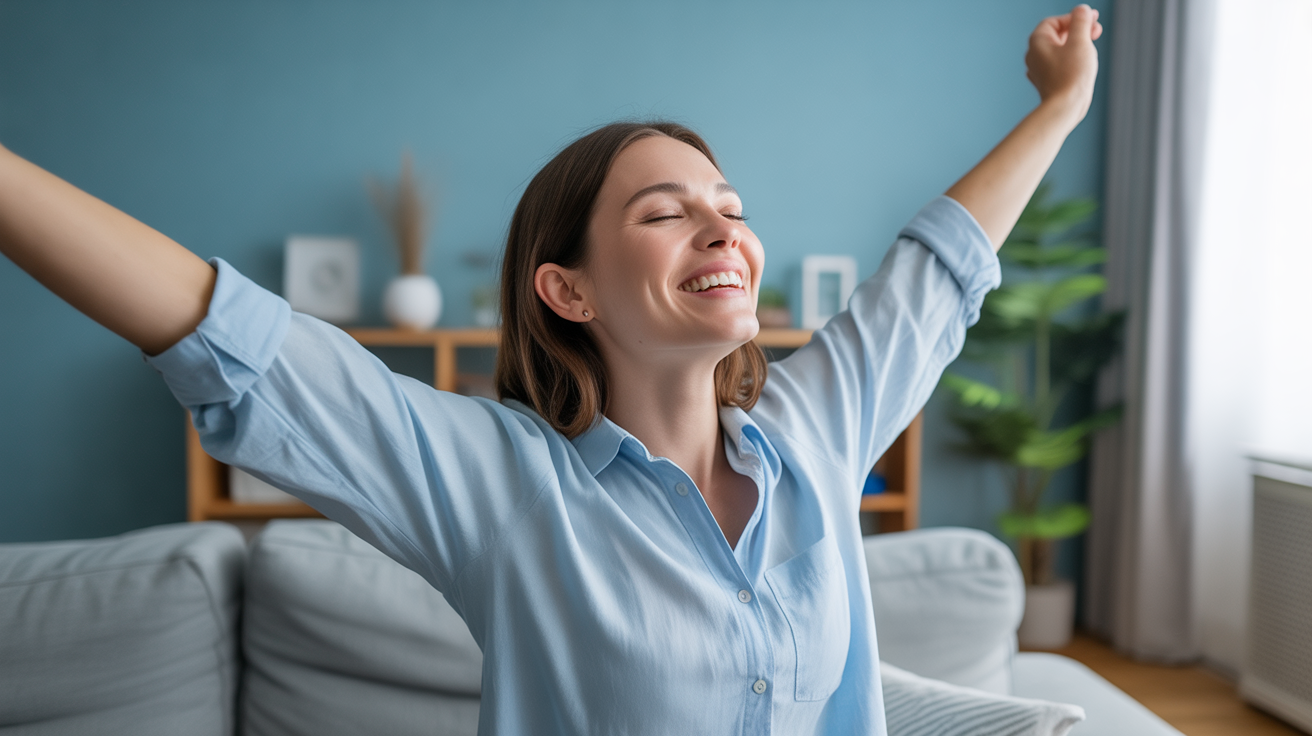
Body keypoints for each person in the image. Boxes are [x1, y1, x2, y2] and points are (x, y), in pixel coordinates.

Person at [0, 6, 1102, 734]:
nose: (722, 231)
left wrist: (1056, 107)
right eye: (666, 214)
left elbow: (938, 269)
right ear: (566, 290)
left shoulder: (817, 427)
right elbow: (222, 331)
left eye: (732, 210)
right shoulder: (498, 483)